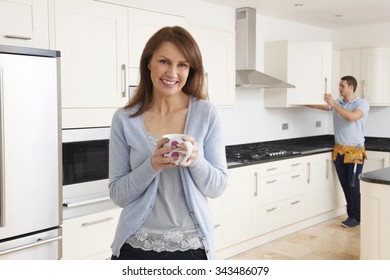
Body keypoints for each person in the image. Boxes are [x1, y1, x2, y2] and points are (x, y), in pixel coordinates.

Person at [108, 26, 228, 260]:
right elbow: (118, 195)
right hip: (135, 245)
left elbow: (218, 187)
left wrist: (195, 160)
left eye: (182, 65)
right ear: (148, 63)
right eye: (164, 61)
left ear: (190, 69)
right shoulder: (124, 119)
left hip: (191, 247)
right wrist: (151, 165)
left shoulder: (207, 113)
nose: (172, 73)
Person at [308, 75, 369, 228]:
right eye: (339, 85)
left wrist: (333, 105)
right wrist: (297, 100)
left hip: (355, 154)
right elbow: (318, 106)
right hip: (339, 152)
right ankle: (352, 216)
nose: (339, 88)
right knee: (345, 185)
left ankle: (356, 217)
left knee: (353, 185)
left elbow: (352, 117)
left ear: (351, 87)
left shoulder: (362, 103)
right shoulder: (339, 103)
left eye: (342, 86)